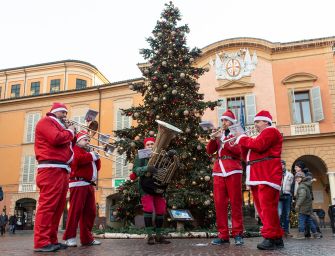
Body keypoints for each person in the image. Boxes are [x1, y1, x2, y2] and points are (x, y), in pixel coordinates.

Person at [235, 110, 284, 250]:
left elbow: (259, 145)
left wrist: (243, 138)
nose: (255, 124)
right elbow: (247, 157)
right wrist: (240, 142)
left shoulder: (271, 131)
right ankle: (277, 237)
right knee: (265, 209)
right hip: (259, 175)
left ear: (266, 122)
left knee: (267, 209)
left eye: (257, 121)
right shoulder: (260, 136)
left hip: (267, 174)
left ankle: (269, 237)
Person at [34, 102, 76, 252]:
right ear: (54, 112)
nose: (65, 115)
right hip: (50, 168)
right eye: (62, 112)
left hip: (61, 169)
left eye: (66, 113)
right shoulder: (46, 122)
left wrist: (71, 133)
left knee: (58, 207)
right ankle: (41, 241)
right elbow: (56, 139)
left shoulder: (59, 125)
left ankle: (51, 239)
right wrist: (70, 131)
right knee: (48, 206)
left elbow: (67, 144)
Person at [206, 110, 244, 246]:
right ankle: (223, 235)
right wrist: (213, 138)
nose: (223, 123)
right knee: (219, 204)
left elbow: (238, 151)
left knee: (235, 203)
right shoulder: (219, 135)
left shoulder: (237, 133)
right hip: (218, 170)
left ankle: (238, 234)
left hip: (233, 169)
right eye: (222, 120)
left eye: (226, 120)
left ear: (232, 122)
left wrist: (222, 138)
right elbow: (210, 151)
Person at [63, 130, 102, 247]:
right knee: (75, 211)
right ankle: (69, 237)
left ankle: (87, 238)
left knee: (90, 212)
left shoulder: (86, 152)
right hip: (78, 183)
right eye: (85, 140)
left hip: (89, 184)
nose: (88, 142)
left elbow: (97, 168)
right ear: (79, 141)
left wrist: (96, 157)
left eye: (88, 140)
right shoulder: (75, 149)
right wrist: (91, 155)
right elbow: (76, 161)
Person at [130, 137, 171, 245]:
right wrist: (146, 168)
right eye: (148, 144)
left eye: (152, 144)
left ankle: (158, 235)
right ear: (145, 146)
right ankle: (149, 236)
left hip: (159, 185)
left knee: (161, 210)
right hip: (146, 186)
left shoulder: (161, 155)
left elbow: (167, 166)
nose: (150, 146)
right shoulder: (141, 155)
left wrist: (170, 156)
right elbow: (135, 170)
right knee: (148, 209)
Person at [293, 172, 321, 239]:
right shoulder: (305, 185)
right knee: (309, 220)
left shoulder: (302, 186)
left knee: (301, 220)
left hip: (303, 207)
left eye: (299, 177)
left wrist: (297, 205)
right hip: (308, 206)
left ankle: (301, 234)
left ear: (302, 178)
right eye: (296, 178)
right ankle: (315, 234)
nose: (297, 179)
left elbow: (302, 196)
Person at [278, 160, 294, 237]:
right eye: (280, 165)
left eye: (282, 165)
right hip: (279, 196)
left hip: (287, 195)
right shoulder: (276, 174)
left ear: (284, 165)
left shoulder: (290, 175)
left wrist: (291, 194)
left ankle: (286, 231)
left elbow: (293, 185)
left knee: (287, 214)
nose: (281, 166)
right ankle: (280, 230)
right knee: (280, 214)